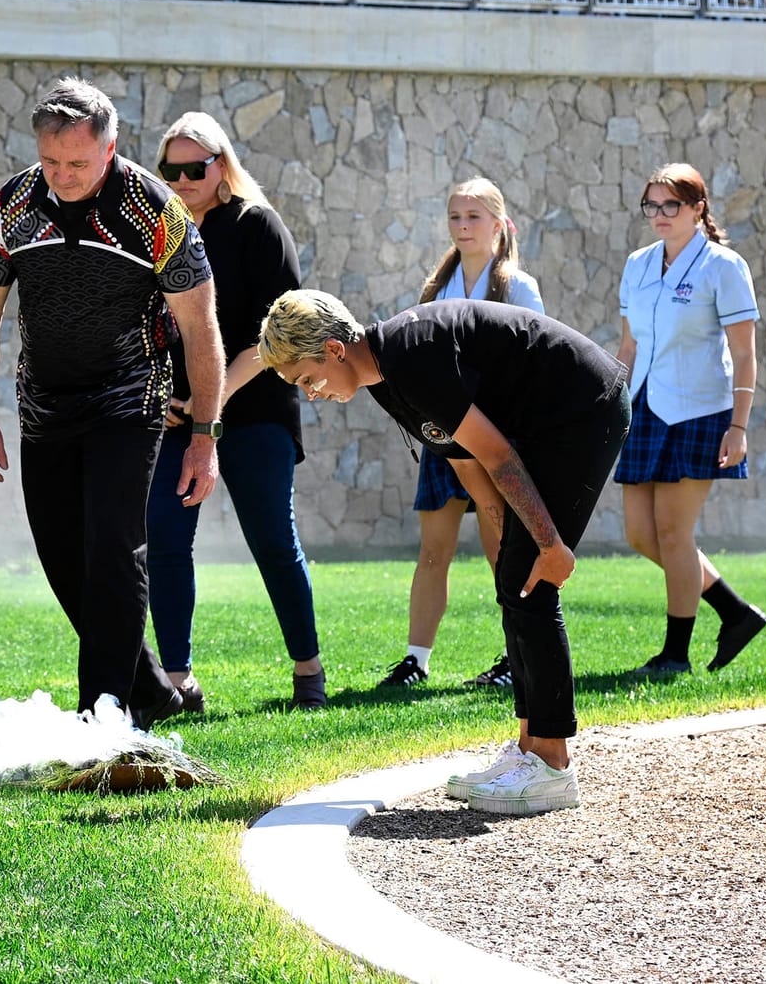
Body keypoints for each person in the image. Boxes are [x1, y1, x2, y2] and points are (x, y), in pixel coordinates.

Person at [259, 291, 629, 815]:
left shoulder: (410, 358)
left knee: (532, 584)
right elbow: (463, 458)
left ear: (335, 351)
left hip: (582, 408)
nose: (311, 394)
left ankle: (551, 764)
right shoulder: (382, 375)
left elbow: (497, 454)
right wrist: (509, 536)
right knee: (515, 581)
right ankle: (529, 749)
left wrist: (549, 545)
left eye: (307, 379)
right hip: (545, 422)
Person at [0, 79, 224, 728]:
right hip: (44, 406)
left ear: (109, 149)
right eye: (50, 160)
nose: (63, 175)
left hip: (130, 398)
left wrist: (204, 435)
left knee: (113, 547)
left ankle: (103, 716)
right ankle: (151, 687)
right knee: (64, 561)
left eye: (77, 162)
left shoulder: (156, 212)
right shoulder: (13, 206)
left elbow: (200, 328)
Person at [143, 113, 324, 712]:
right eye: (170, 170)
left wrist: (210, 400)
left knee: (272, 539)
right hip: (179, 414)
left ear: (221, 166)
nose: (182, 180)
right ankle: (177, 682)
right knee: (166, 537)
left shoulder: (257, 224)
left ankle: (308, 672)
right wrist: (167, 398)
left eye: (195, 168)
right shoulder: (161, 233)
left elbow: (276, 335)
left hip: (256, 409)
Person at [378, 178, 544, 692]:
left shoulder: (519, 286)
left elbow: (533, 363)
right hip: (443, 436)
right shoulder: (436, 287)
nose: (463, 226)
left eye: (473, 217)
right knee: (433, 551)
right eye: (455, 217)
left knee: (501, 549)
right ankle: (415, 661)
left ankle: (516, 658)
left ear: (499, 224)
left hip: (496, 440)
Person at [614, 163, 766, 679]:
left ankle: (675, 656)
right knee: (641, 534)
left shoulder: (724, 267)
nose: (659, 215)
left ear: (698, 208)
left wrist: (738, 427)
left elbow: (744, 355)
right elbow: (628, 346)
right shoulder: (637, 264)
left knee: (674, 533)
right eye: (651, 205)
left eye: (671, 205)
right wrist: (612, 406)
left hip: (701, 412)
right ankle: (734, 611)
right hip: (644, 409)